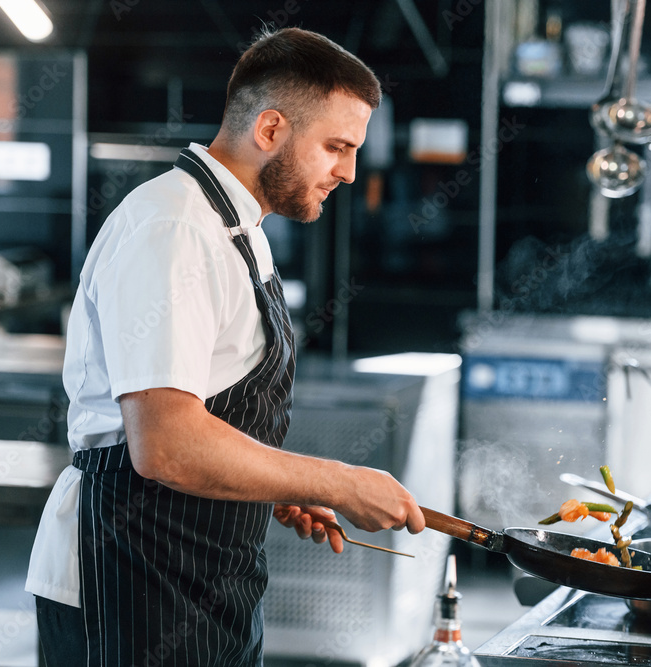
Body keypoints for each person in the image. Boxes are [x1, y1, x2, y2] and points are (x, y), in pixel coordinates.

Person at [25, 27, 426, 667]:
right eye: (337, 147)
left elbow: (207, 406)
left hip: (199, 571)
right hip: (130, 572)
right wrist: (340, 480)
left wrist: (270, 481)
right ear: (270, 129)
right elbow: (167, 445)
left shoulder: (237, 225)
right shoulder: (174, 229)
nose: (350, 172)